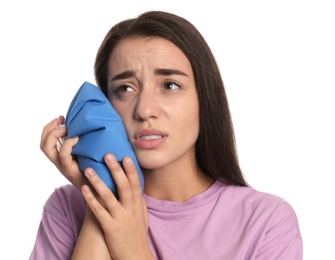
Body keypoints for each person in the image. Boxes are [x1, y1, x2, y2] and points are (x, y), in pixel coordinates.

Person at [30, 10, 303, 259]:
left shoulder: (267, 221)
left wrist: (132, 248)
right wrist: (99, 199)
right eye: (125, 88)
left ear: (204, 99)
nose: (145, 110)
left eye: (170, 85)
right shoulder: (67, 207)